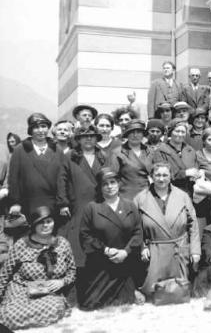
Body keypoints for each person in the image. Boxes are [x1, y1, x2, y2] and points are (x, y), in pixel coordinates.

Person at [0, 206, 76, 330]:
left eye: (49, 221)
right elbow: (5, 274)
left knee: (56, 306)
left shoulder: (63, 244)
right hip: (21, 290)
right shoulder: (21, 244)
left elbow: (72, 272)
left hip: (47, 294)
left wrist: (62, 282)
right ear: (34, 225)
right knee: (7, 312)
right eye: (41, 222)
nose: (45, 225)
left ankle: (10, 320)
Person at [78, 168, 143, 309]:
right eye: (105, 184)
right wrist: (106, 250)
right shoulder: (92, 208)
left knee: (126, 302)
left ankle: (133, 289)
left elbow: (138, 233)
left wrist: (125, 252)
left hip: (126, 262)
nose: (109, 187)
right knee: (91, 304)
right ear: (100, 187)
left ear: (119, 184)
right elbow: (85, 236)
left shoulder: (130, 205)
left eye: (113, 182)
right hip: (102, 263)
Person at [134, 163, 201, 298]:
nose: (161, 179)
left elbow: (193, 224)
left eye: (165, 175)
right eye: (157, 175)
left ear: (170, 177)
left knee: (179, 292)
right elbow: (135, 227)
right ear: (151, 177)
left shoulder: (182, 196)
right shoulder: (140, 198)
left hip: (179, 249)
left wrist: (195, 251)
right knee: (153, 294)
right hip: (154, 250)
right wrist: (143, 246)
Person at [61, 126, 118, 269]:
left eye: (92, 136)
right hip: (77, 205)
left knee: (99, 238)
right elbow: (61, 180)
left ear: (96, 139)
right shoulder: (70, 156)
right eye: (84, 136)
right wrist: (63, 203)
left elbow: (110, 180)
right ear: (78, 139)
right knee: (77, 241)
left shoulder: (104, 156)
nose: (88, 139)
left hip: (100, 203)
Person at [7, 113, 66, 217]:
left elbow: (62, 179)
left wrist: (63, 204)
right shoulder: (20, 149)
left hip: (53, 204)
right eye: (36, 127)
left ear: (48, 128)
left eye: (43, 126)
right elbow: (13, 179)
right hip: (27, 204)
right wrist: (15, 202)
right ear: (30, 130)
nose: (40, 130)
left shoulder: (57, 150)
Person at [151, 118, 201, 196]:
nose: (180, 134)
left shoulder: (190, 150)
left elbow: (196, 166)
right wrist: (185, 173)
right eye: (177, 131)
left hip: (190, 192)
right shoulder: (160, 151)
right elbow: (161, 174)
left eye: (183, 132)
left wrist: (196, 174)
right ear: (170, 132)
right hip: (169, 192)